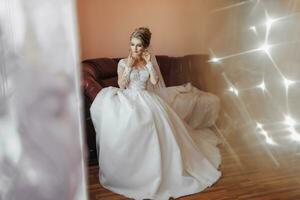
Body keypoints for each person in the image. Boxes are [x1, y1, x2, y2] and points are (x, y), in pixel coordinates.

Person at [90, 27, 222, 200]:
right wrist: (129, 67)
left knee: (157, 123)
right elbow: (122, 85)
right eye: (132, 44)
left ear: (145, 47)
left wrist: (150, 64)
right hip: (129, 97)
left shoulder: (147, 62)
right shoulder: (123, 62)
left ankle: (161, 170)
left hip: (147, 97)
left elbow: (154, 81)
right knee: (134, 124)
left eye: (138, 46)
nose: (134, 49)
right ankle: (135, 173)